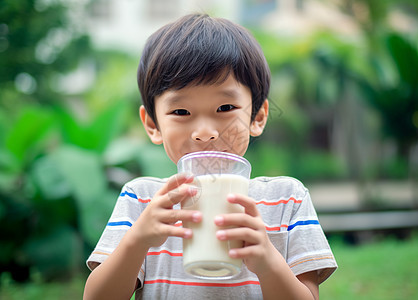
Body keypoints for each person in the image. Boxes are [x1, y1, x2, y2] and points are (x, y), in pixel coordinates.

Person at [84, 13, 337, 300]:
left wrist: (268, 264)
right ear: (153, 125)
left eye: (225, 107)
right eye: (181, 112)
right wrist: (137, 241)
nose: (205, 133)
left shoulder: (287, 199)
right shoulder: (141, 201)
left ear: (258, 116)